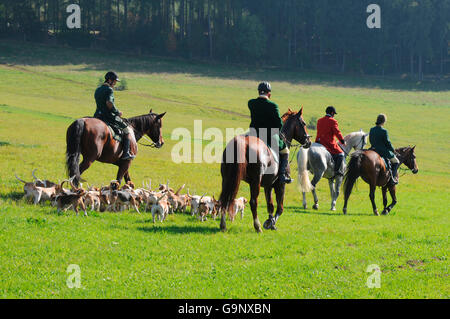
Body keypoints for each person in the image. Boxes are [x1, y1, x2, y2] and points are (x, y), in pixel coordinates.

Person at [248, 82, 292, 184]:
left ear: (258, 92)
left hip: (253, 133)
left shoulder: (251, 103)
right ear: (269, 94)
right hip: (268, 135)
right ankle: (282, 175)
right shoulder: (273, 106)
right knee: (285, 151)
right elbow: (279, 124)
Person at [94, 71, 135, 160]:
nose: (115, 83)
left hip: (97, 115)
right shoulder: (109, 90)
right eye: (115, 81)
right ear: (110, 80)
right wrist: (117, 112)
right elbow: (109, 103)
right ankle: (126, 153)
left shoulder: (98, 89)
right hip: (108, 116)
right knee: (127, 129)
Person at [369, 114, 399, 185]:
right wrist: (392, 150)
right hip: (382, 151)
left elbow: (370, 140)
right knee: (396, 161)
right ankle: (392, 179)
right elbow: (387, 143)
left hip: (373, 150)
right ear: (384, 121)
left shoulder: (372, 129)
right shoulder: (384, 131)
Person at [315, 106, 346, 176]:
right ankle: (336, 171)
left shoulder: (319, 120)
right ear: (332, 113)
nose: (334, 115)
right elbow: (337, 132)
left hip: (319, 142)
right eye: (334, 114)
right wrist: (342, 141)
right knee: (341, 154)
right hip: (328, 143)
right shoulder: (333, 121)